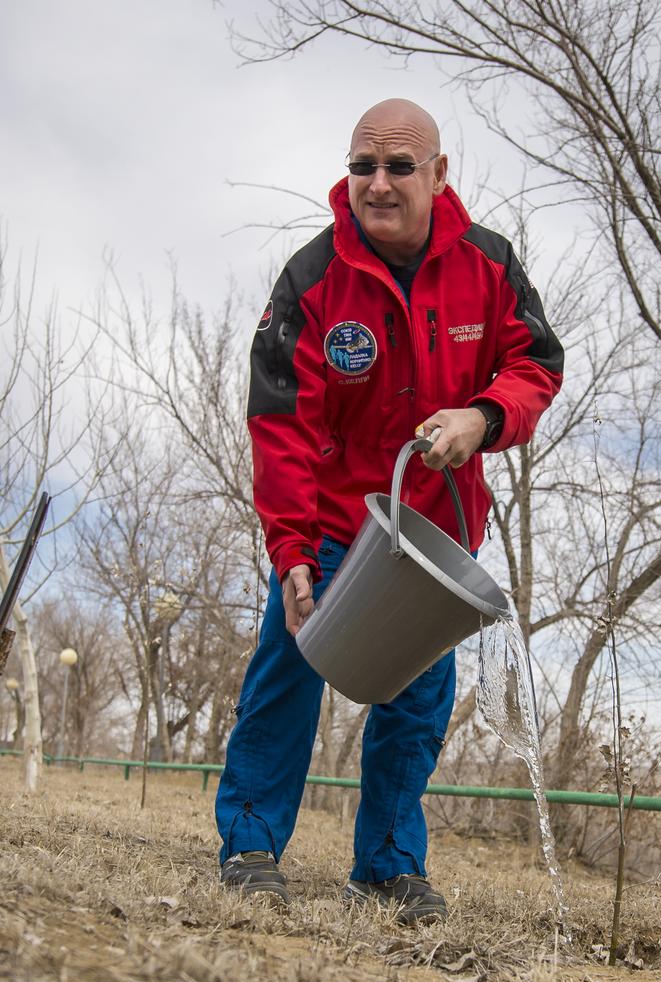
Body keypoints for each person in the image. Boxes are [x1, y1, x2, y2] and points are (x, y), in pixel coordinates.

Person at [215, 98, 563, 922]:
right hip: (335, 526)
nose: (378, 183)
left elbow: (535, 364)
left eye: (399, 166)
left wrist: (483, 415)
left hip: (436, 538)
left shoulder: (489, 264)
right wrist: (291, 549)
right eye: (362, 166)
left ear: (439, 176)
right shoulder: (311, 279)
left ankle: (387, 866)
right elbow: (281, 424)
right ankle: (251, 844)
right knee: (287, 673)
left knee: (415, 700)